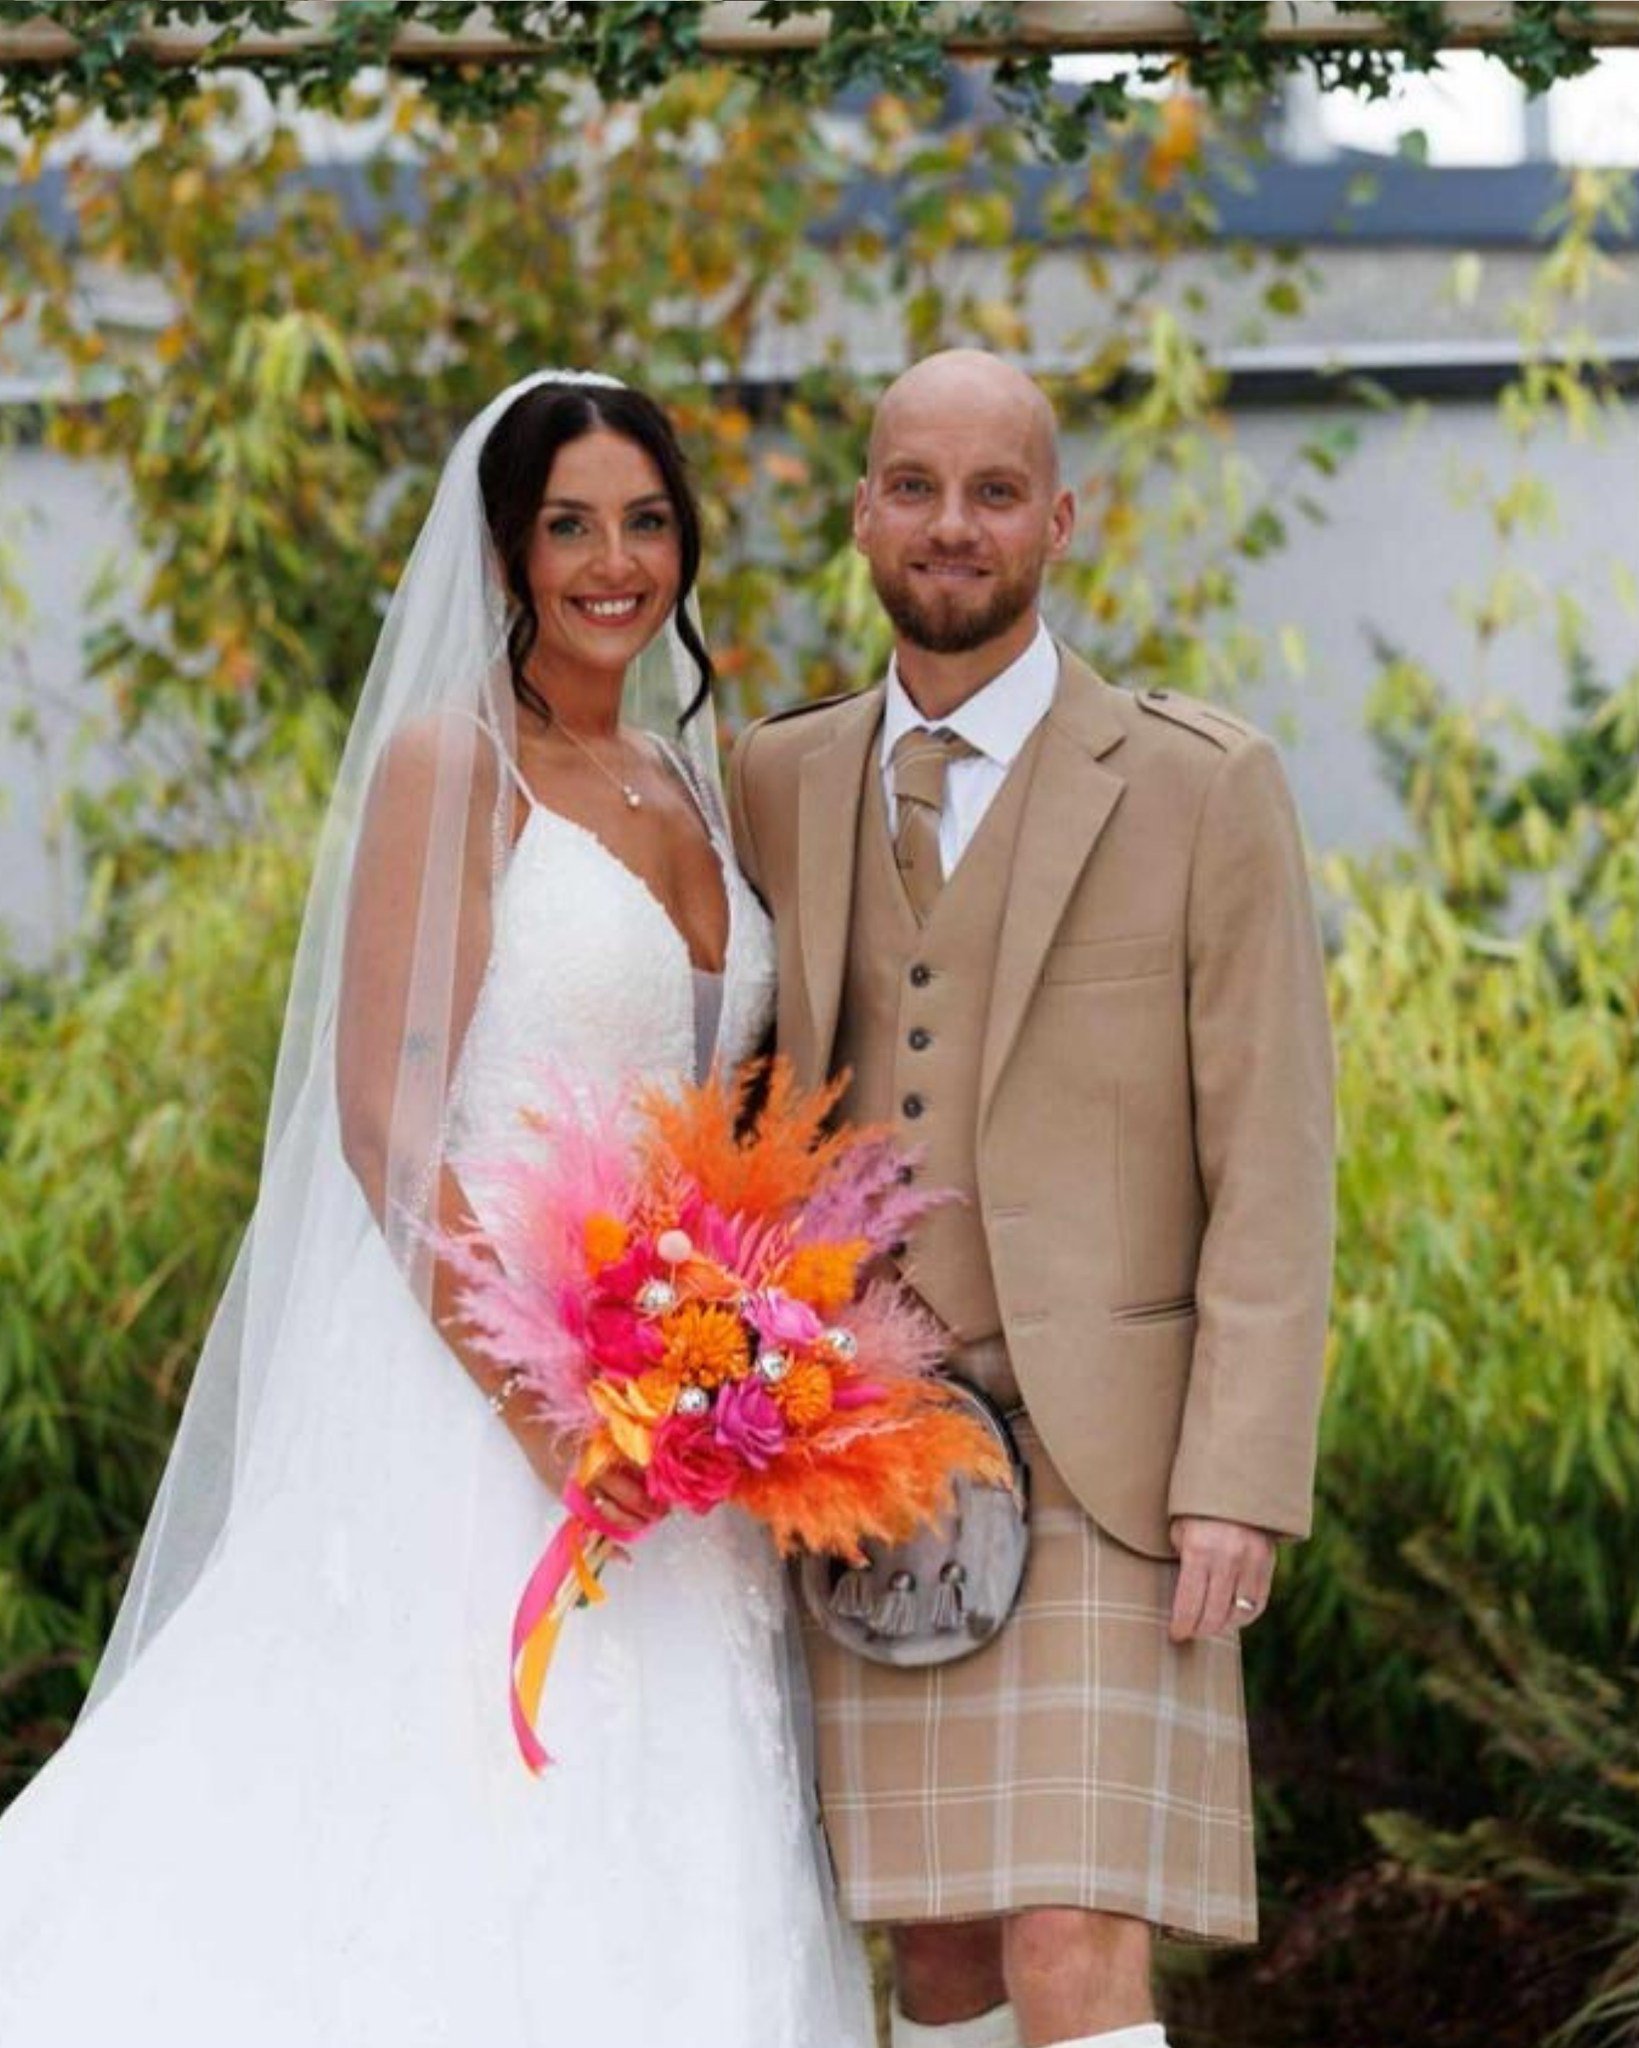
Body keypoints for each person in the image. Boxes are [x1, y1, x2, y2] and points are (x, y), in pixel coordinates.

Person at [0, 372, 873, 2048]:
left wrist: (732, 1360)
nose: (613, 563)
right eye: (569, 527)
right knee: (457, 1821)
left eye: (646, 522)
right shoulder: (453, 767)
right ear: (505, 553)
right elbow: (385, 1120)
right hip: (478, 1401)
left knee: (674, 1835)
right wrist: (548, 1410)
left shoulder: (691, 781)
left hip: (681, 1416)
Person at [727, 349, 1335, 2048]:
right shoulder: (779, 778)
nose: (953, 526)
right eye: (916, 487)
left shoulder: (1201, 784)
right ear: (863, 514)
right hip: (871, 1447)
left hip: (1114, 1457)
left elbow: (1276, 1157)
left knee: (1072, 1937)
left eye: (995, 492)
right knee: (936, 1953)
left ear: (1060, 521)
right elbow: (743, 1106)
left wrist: (1239, 1478)